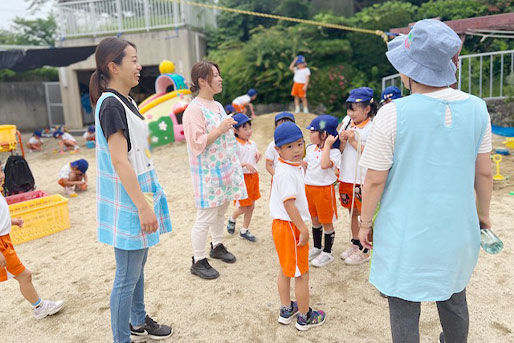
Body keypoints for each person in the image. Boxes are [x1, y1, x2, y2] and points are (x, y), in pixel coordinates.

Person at [357, 19, 493, 343]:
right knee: (454, 294)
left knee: (403, 302)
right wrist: (484, 214)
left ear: (409, 71)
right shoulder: (477, 109)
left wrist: (364, 223)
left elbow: (374, 180)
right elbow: (484, 172)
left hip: (407, 231)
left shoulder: (392, 113)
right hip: (457, 228)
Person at [89, 37, 173, 343]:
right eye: (133, 60)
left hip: (139, 193)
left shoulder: (126, 100)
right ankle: (121, 338)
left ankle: (138, 321)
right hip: (129, 200)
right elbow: (119, 160)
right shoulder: (110, 104)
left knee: (137, 265)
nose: (139, 67)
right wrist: (142, 206)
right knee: (126, 275)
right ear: (114, 66)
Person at [183, 61, 247, 280]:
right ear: (202, 81)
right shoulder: (194, 109)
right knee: (205, 216)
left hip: (224, 169)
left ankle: (217, 245)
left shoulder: (217, 105)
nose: (220, 79)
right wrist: (220, 129)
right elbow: (197, 143)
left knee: (221, 208)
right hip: (208, 172)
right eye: (215, 75)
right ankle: (198, 259)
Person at [270, 122, 326, 331]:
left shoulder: (287, 167)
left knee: (286, 269)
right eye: (289, 147)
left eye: (299, 144)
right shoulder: (285, 173)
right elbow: (288, 202)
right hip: (291, 226)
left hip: (281, 225)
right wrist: (303, 228)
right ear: (278, 150)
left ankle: (286, 309)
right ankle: (305, 316)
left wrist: (299, 165)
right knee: (301, 273)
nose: (296, 150)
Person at [0, 162, 64, 320]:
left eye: (1, 170)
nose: (2, 175)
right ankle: (39, 307)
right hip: (2, 245)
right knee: (24, 276)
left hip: (4, 241)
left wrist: (12, 221)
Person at [338, 87, 376, 265]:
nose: (350, 113)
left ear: (367, 109)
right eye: (349, 108)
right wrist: (343, 139)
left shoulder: (373, 126)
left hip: (362, 177)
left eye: (355, 109)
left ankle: (366, 248)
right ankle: (355, 242)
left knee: (364, 214)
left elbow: (372, 152)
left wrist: (353, 141)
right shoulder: (347, 121)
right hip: (347, 175)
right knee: (351, 211)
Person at [304, 115, 341, 267]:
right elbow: (306, 164)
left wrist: (327, 146)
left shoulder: (334, 153)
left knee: (326, 221)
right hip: (309, 188)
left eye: (313, 131)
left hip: (324, 190)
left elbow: (325, 164)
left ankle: (327, 252)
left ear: (324, 134)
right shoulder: (310, 148)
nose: (310, 134)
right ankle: (317, 247)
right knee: (314, 219)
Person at [227, 113, 261, 242]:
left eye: (249, 128)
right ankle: (232, 218)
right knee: (244, 207)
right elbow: (231, 164)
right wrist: (245, 164)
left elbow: (253, 154)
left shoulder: (252, 143)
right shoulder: (234, 144)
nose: (249, 131)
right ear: (235, 130)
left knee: (251, 206)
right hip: (242, 179)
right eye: (245, 128)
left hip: (253, 177)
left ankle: (244, 230)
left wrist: (257, 153)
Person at [265, 112, 296, 177]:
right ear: (276, 128)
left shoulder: (297, 144)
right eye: (281, 126)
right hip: (278, 178)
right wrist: (277, 176)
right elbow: (268, 165)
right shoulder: (273, 145)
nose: (285, 129)